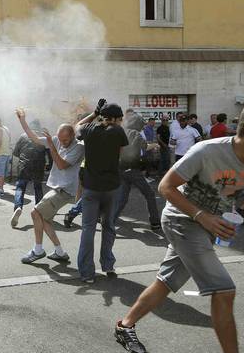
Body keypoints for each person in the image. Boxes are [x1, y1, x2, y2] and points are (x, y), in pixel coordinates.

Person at [114, 100, 244, 353]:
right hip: (181, 219)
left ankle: (125, 326)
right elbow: (165, 187)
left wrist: (233, 210)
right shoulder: (206, 151)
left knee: (166, 282)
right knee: (224, 290)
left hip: (211, 222)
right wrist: (202, 215)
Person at [17, 108, 84, 264]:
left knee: (35, 213)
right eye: (59, 139)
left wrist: (52, 145)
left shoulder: (79, 148)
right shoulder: (56, 139)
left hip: (64, 190)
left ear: (72, 136)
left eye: (65, 140)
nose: (61, 142)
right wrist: (22, 120)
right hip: (56, 188)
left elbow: (61, 164)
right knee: (45, 220)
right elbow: (34, 138)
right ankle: (60, 252)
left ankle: (38, 250)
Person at [75, 99, 128, 284]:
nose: (121, 122)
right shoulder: (118, 131)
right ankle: (107, 264)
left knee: (88, 229)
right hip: (111, 186)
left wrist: (94, 113)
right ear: (114, 119)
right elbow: (120, 154)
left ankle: (87, 273)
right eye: (120, 119)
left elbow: (78, 125)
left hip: (90, 187)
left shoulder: (89, 129)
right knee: (109, 226)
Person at [113, 112, 161, 230]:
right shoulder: (134, 133)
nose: (143, 126)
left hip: (120, 169)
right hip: (132, 170)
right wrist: (155, 145)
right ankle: (155, 222)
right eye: (141, 124)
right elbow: (145, 147)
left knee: (122, 198)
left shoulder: (121, 131)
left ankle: (110, 219)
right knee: (149, 194)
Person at [10, 120, 46, 227]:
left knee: (20, 187)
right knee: (38, 188)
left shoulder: (23, 136)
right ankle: (39, 211)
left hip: (24, 165)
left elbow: (16, 152)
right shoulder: (43, 137)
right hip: (39, 166)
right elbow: (49, 152)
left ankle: (18, 207)